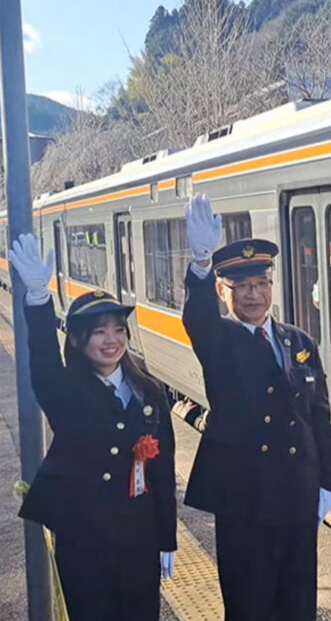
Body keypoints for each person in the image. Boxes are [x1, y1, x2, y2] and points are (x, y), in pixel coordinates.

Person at [181, 194, 331, 621]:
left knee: (298, 606)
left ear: (271, 286)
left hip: (297, 499)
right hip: (245, 504)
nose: (254, 294)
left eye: (261, 283)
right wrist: (201, 264)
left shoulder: (297, 341)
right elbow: (197, 318)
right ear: (223, 290)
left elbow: (320, 417)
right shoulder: (220, 340)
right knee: (250, 607)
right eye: (242, 286)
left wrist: (329, 481)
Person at [10, 234, 176, 621]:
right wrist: (38, 298)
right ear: (79, 339)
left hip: (139, 541)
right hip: (83, 542)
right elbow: (43, 359)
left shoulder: (149, 392)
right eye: (100, 331)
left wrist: (167, 537)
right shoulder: (64, 390)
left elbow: (163, 472)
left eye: (118, 329)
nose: (111, 340)